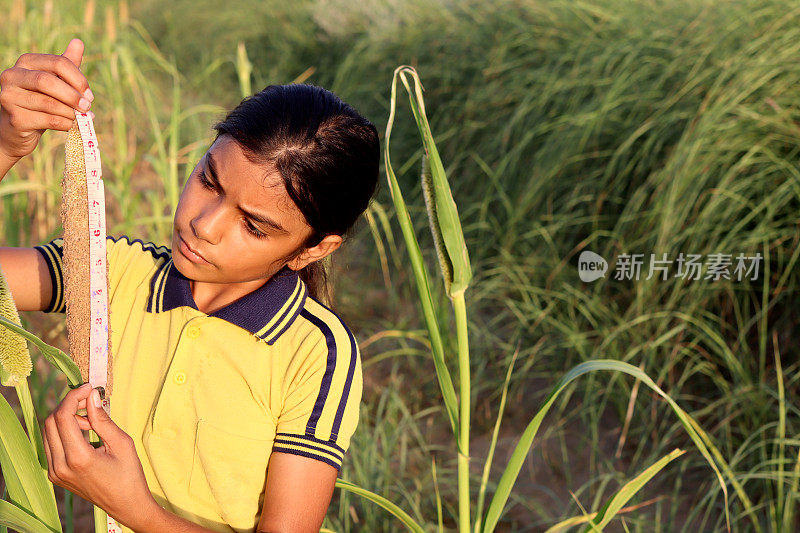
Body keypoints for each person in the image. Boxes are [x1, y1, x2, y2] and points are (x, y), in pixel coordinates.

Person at [0, 38, 379, 532]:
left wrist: (135, 510)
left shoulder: (315, 352)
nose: (205, 224)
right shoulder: (114, 272)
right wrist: (7, 144)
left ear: (313, 249)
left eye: (254, 226)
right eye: (209, 181)